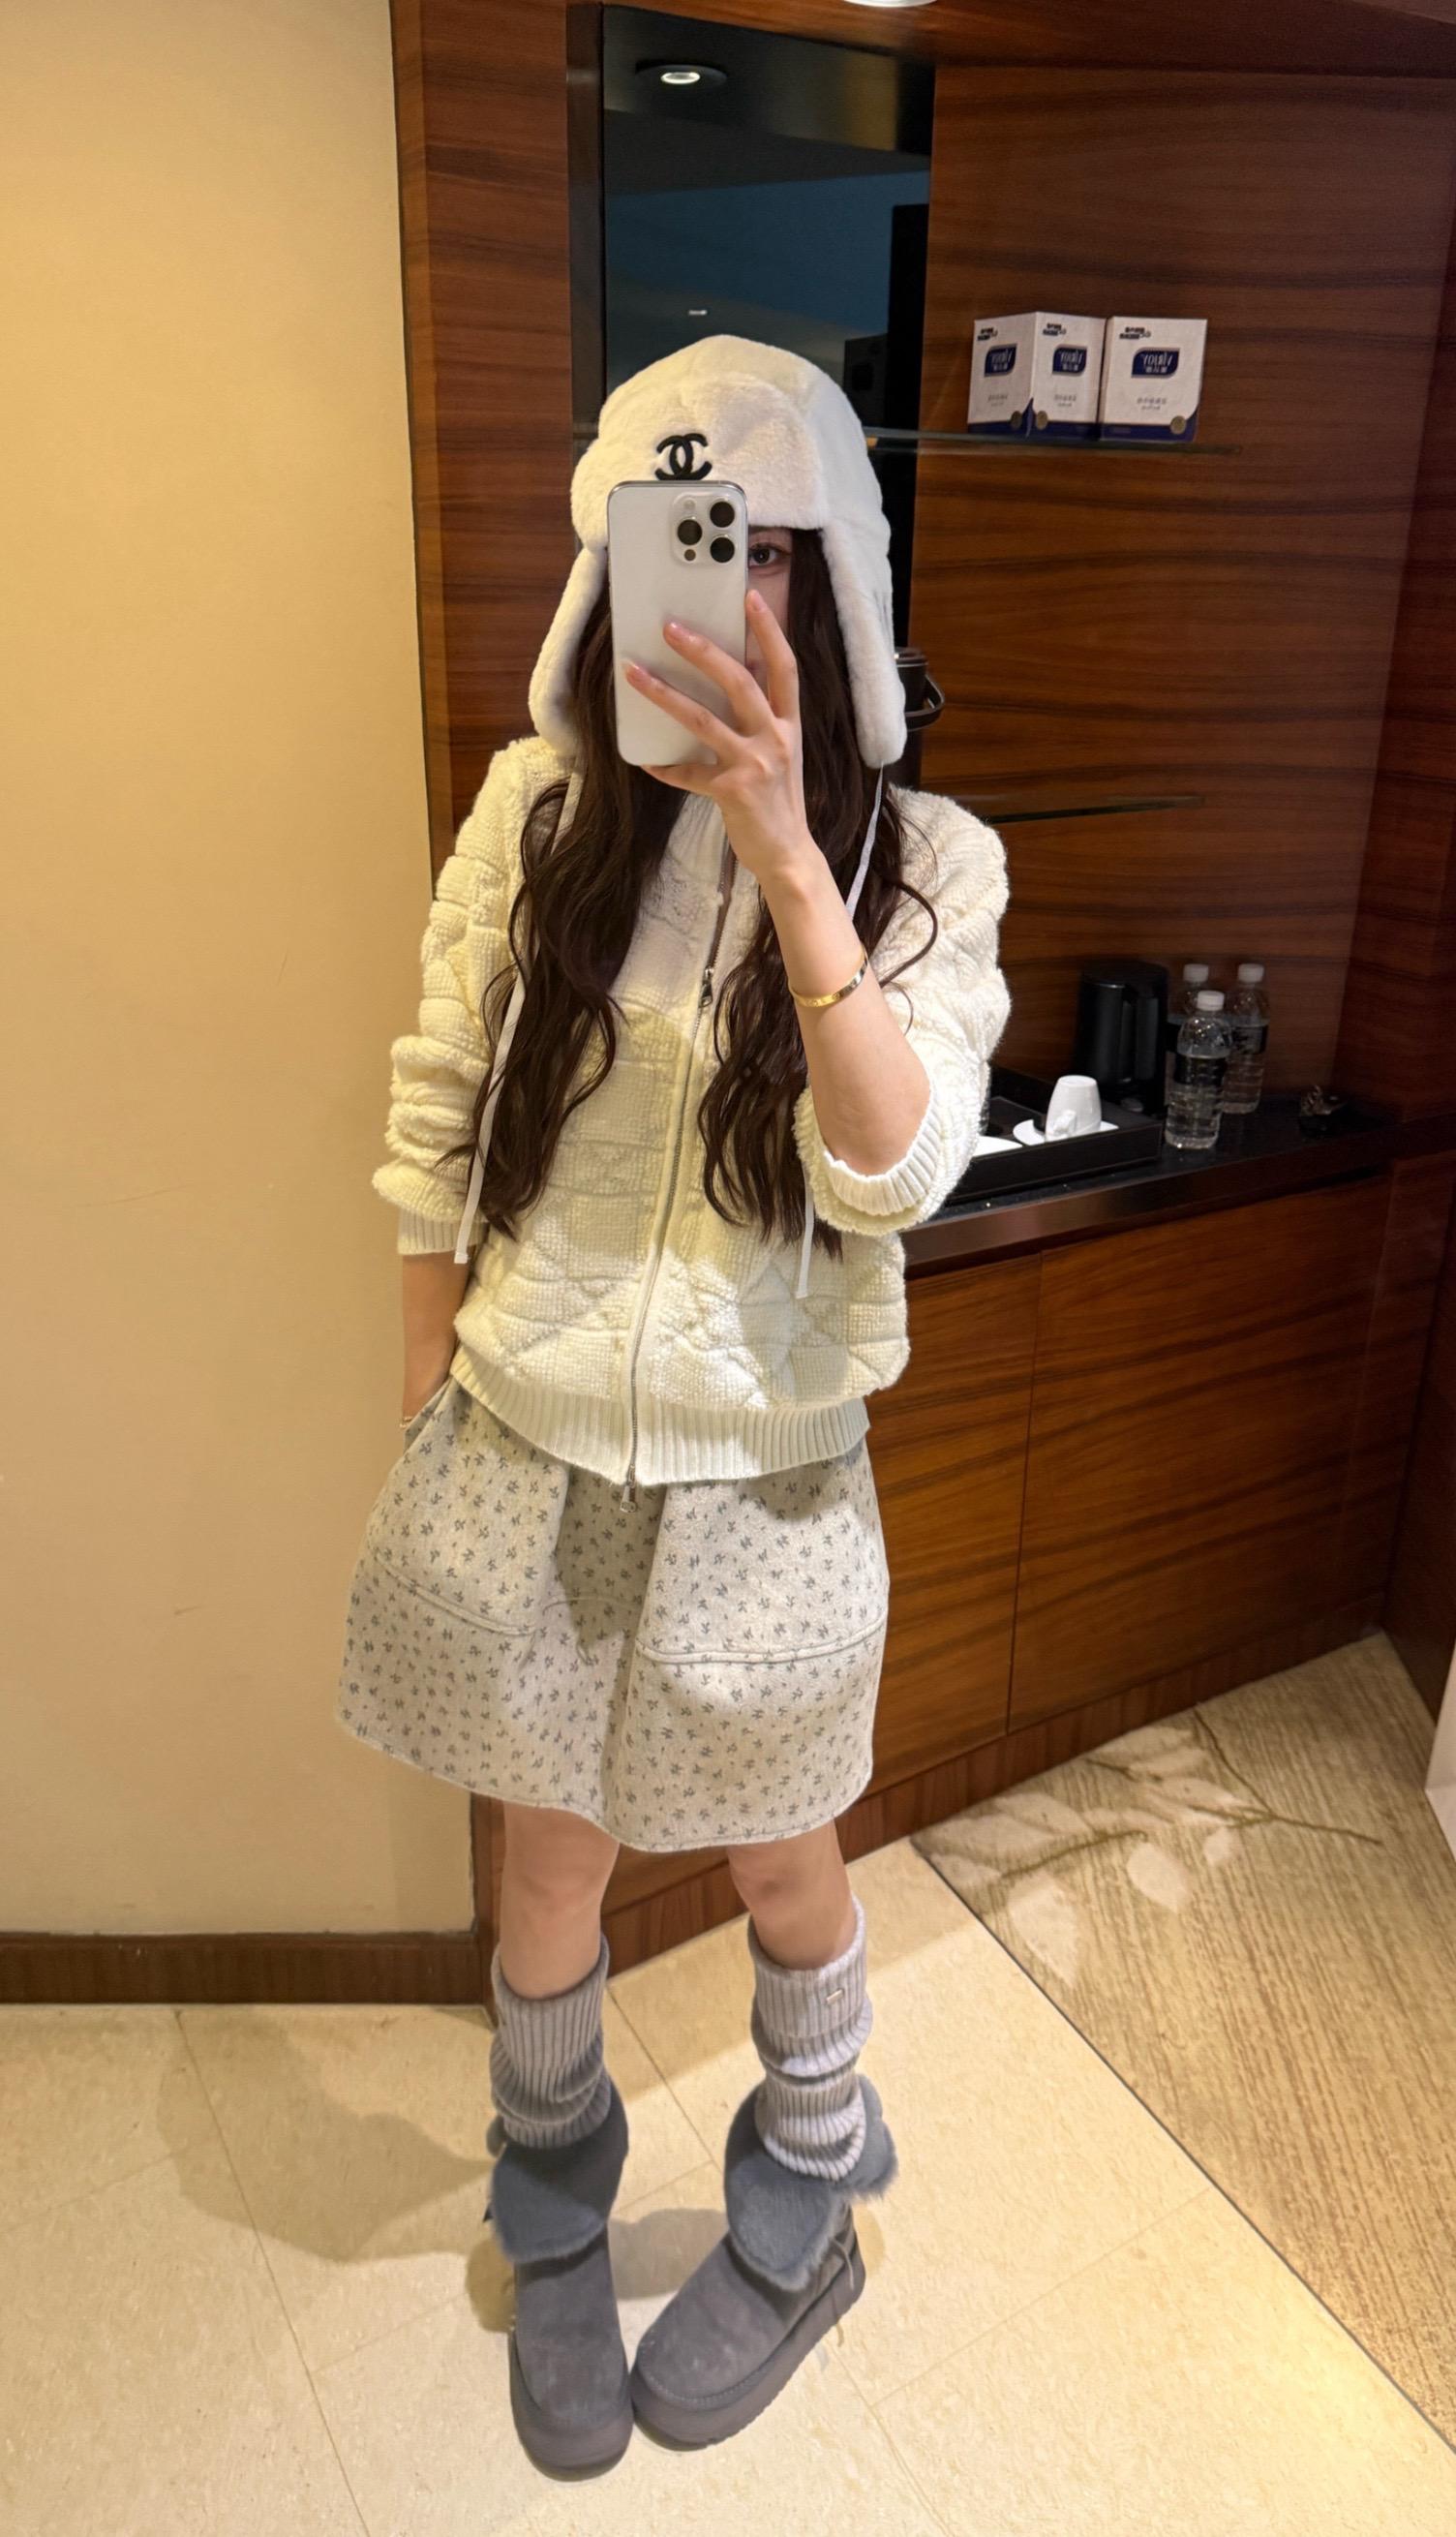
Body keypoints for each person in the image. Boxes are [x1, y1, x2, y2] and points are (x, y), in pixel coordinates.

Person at [335, 334, 1011, 2469]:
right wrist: (431, 1375)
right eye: (684, 541)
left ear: (844, 586)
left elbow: (895, 1171)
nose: (729, 593)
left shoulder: (933, 861)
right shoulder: (535, 815)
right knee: (550, 1873)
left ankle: (805, 2195)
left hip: (771, 1480)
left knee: (785, 1866)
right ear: (609, 565)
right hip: (535, 1444)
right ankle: (553, 2212)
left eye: (772, 554)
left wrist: (791, 859)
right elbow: (441, 1103)